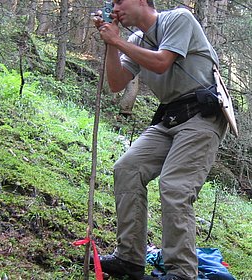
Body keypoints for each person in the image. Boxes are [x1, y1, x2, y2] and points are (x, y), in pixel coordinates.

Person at [93, 1, 228, 279]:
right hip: (170, 119)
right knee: (128, 168)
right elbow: (116, 84)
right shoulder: (134, 39)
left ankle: (181, 272)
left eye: (120, 0)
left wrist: (118, 40)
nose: (116, 6)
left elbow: (161, 60)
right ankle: (129, 258)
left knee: (175, 186)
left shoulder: (179, 18)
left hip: (202, 116)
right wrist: (111, 43)